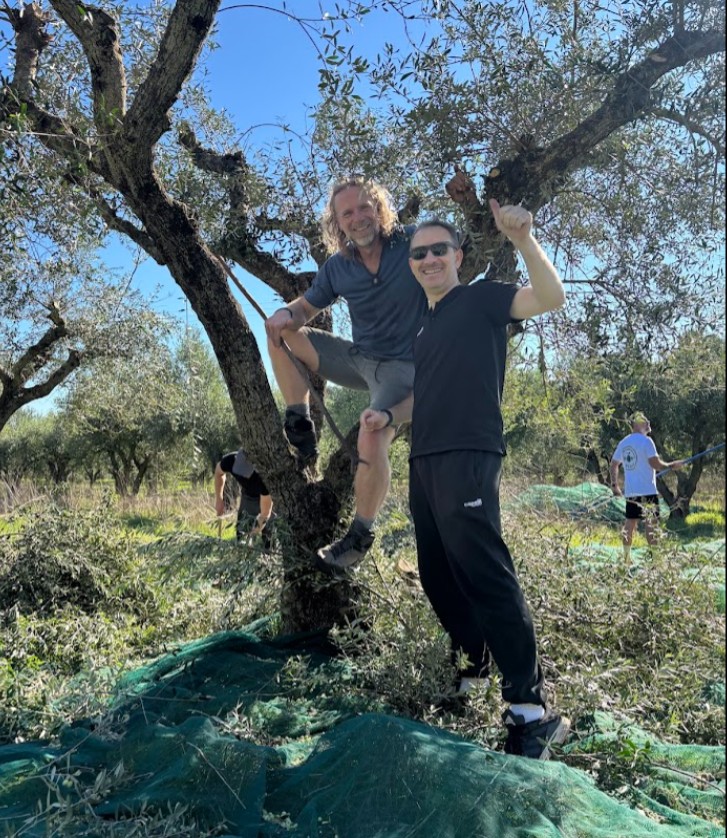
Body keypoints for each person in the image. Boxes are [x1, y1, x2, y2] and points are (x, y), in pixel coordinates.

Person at [363, 201, 567, 759]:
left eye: (439, 250)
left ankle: (531, 712)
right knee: (439, 576)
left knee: (485, 575)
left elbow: (549, 298)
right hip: (425, 461)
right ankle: (473, 672)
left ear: (457, 256)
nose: (429, 259)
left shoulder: (480, 300)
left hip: (469, 455)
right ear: (411, 264)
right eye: (419, 253)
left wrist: (524, 239)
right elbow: (426, 395)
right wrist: (388, 415)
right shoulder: (424, 329)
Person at [264, 176, 426, 574]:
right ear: (337, 223)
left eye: (364, 207)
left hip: (402, 369)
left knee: (372, 434)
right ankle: (300, 425)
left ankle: (359, 535)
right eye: (347, 213)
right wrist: (285, 313)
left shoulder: (411, 242)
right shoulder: (338, 267)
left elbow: (451, 256)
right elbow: (305, 309)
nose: (358, 218)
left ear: (380, 209)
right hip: (358, 359)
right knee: (281, 333)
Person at [610, 413, 683, 561]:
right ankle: (655, 559)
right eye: (645, 420)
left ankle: (626, 559)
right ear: (636, 424)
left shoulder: (624, 442)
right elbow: (655, 464)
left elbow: (613, 464)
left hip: (631, 492)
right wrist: (671, 465)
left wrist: (614, 485)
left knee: (630, 523)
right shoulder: (647, 441)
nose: (648, 422)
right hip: (647, 491)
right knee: (651, 524)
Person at [214, 449, 274, 548]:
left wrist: (253, 533)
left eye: (245, 473)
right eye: (239, 471)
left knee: (269, 539)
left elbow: (265, 514)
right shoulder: (231, 460)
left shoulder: (264, 477)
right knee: (241, 535)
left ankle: (268, 553)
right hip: (247, 497)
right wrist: (219, 499)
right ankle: (242, 552)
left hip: (267, 500)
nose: (242, 475)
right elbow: (218, 472)